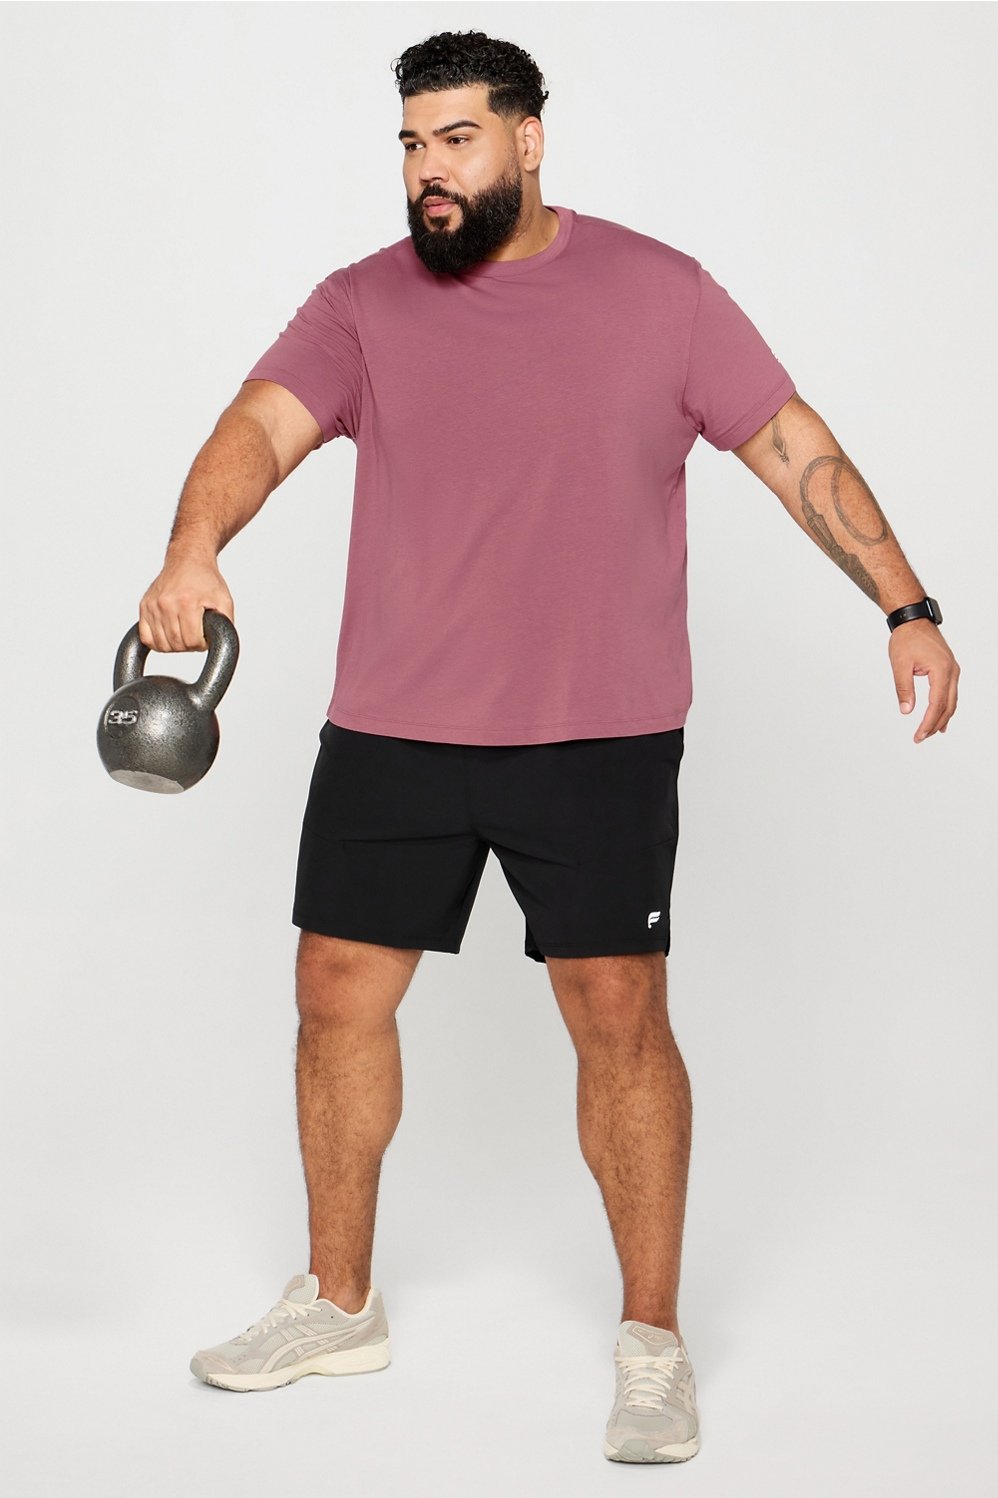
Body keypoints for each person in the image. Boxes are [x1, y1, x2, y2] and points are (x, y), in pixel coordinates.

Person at [138, 29, 959, 1463]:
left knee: (618, 1017)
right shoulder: (360, 305)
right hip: (394, 724)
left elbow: (793, 449)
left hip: (598, 732)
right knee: (334, 995)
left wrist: (904, 604)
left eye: (456, 139)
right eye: (411, 143)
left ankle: (652, 1340)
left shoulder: (661, 293)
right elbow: (255, 428)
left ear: (527, 139)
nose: (429, 170)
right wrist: (192, 546)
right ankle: (337, 1299)